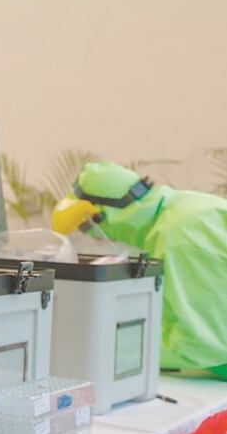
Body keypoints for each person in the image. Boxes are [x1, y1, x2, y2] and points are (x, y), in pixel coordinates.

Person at [53, 161, 227, 379]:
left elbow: (204, 343)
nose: (93, 237)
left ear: (101, 215)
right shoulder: (177, 212)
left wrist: (114, 349)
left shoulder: (180, 236)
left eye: (87, 227)